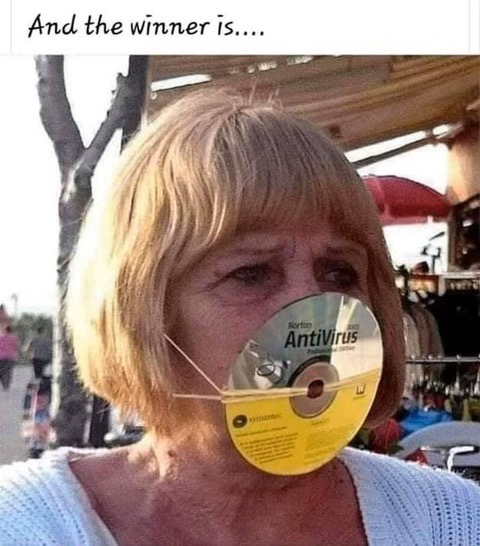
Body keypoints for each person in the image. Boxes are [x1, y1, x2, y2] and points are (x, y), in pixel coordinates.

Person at [1, 88, 479, 545]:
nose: (315, 309)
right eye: (251, 273)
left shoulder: (454, 522)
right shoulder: (22, 525)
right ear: (141, 308)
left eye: (340, 273)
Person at [0, 325, 20, 391]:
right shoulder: (14, 338)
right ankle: (7, 386)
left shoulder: (1, 337)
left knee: (2, 371)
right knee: (9, 371)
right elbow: (16, 347)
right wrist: (16, 354)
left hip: (1, 356)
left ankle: (4, 385)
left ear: (5, 330)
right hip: (10, 356)